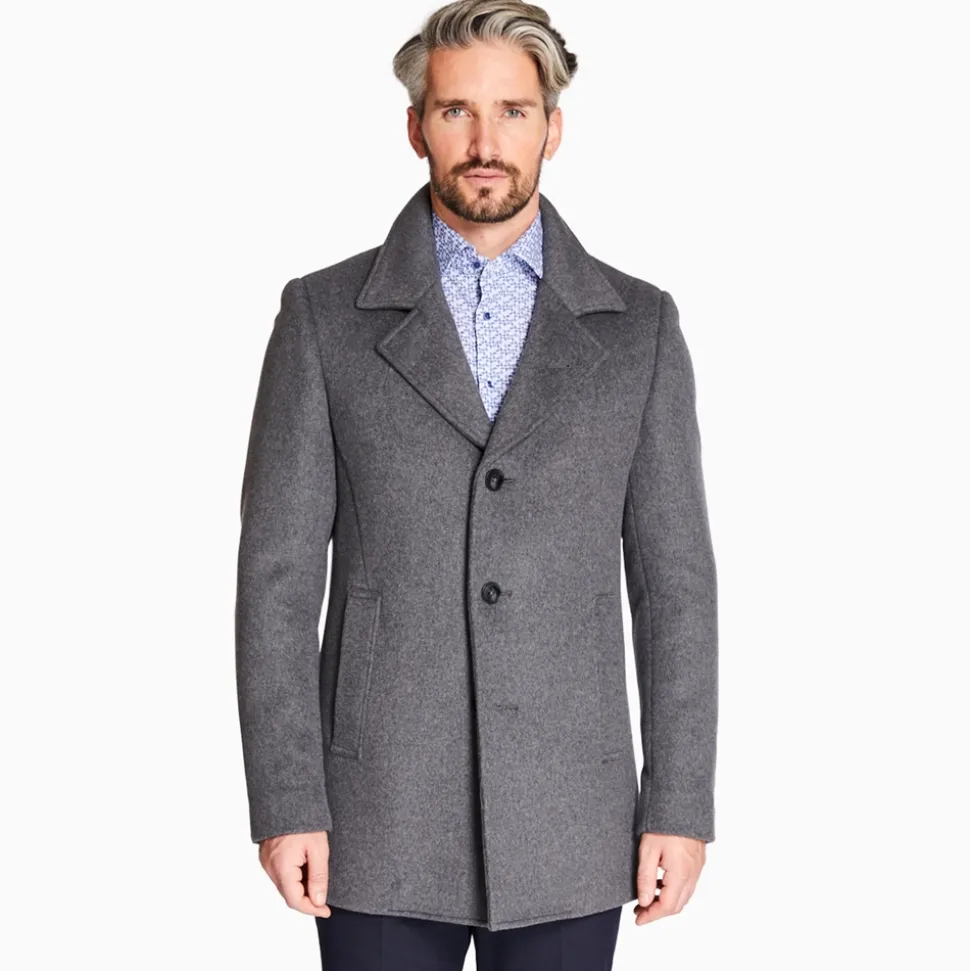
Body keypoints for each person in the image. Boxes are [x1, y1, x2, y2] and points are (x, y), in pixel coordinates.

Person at [234, 2, 718, 968]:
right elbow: (276, 581)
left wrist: (679, 801)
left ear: (554, 128)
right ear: (416, 126)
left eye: (513, 111)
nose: (486, 142)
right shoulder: (324, 318)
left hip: (572, 815)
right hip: (375, 812)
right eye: (457, 111)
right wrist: (287, 799)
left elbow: (676, 585)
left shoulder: (640, 329)